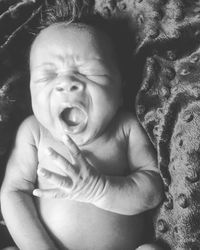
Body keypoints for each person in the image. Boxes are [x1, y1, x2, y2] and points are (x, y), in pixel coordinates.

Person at [0, 13, 163, 250]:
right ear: (30, 93)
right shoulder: (33, 132)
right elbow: (13, 192)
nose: (66, 83)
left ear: (120, 89)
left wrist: (100, 190)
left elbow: (152, 190)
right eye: (47, 76)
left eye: (89, 71)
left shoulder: (125, 128)